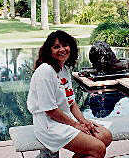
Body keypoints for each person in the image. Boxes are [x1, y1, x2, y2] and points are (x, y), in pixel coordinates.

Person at [27, 30, 112, 158]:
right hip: (49, 125)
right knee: (98, 149)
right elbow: (50, 110)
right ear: (49, 50)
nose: (62, 49)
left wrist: (84, 121)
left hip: (65, 120)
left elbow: (71, 102)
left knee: (106, 136)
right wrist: (76, 125)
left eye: (65, 45)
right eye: (56, 47)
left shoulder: (64, 69)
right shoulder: (45, 72)